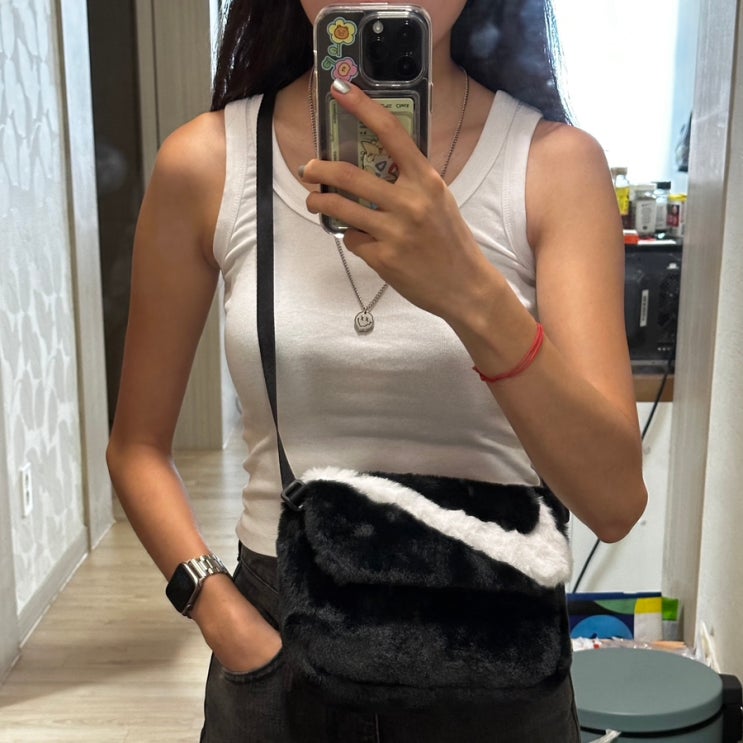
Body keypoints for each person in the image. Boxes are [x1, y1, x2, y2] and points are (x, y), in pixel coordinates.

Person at [106, 0, 648, 740]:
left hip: (493, 650)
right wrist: (221, 612)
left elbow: (613, 502)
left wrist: (468, 290)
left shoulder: (554, 166)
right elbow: (136, 447)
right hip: (278, 641)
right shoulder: (210, 162)